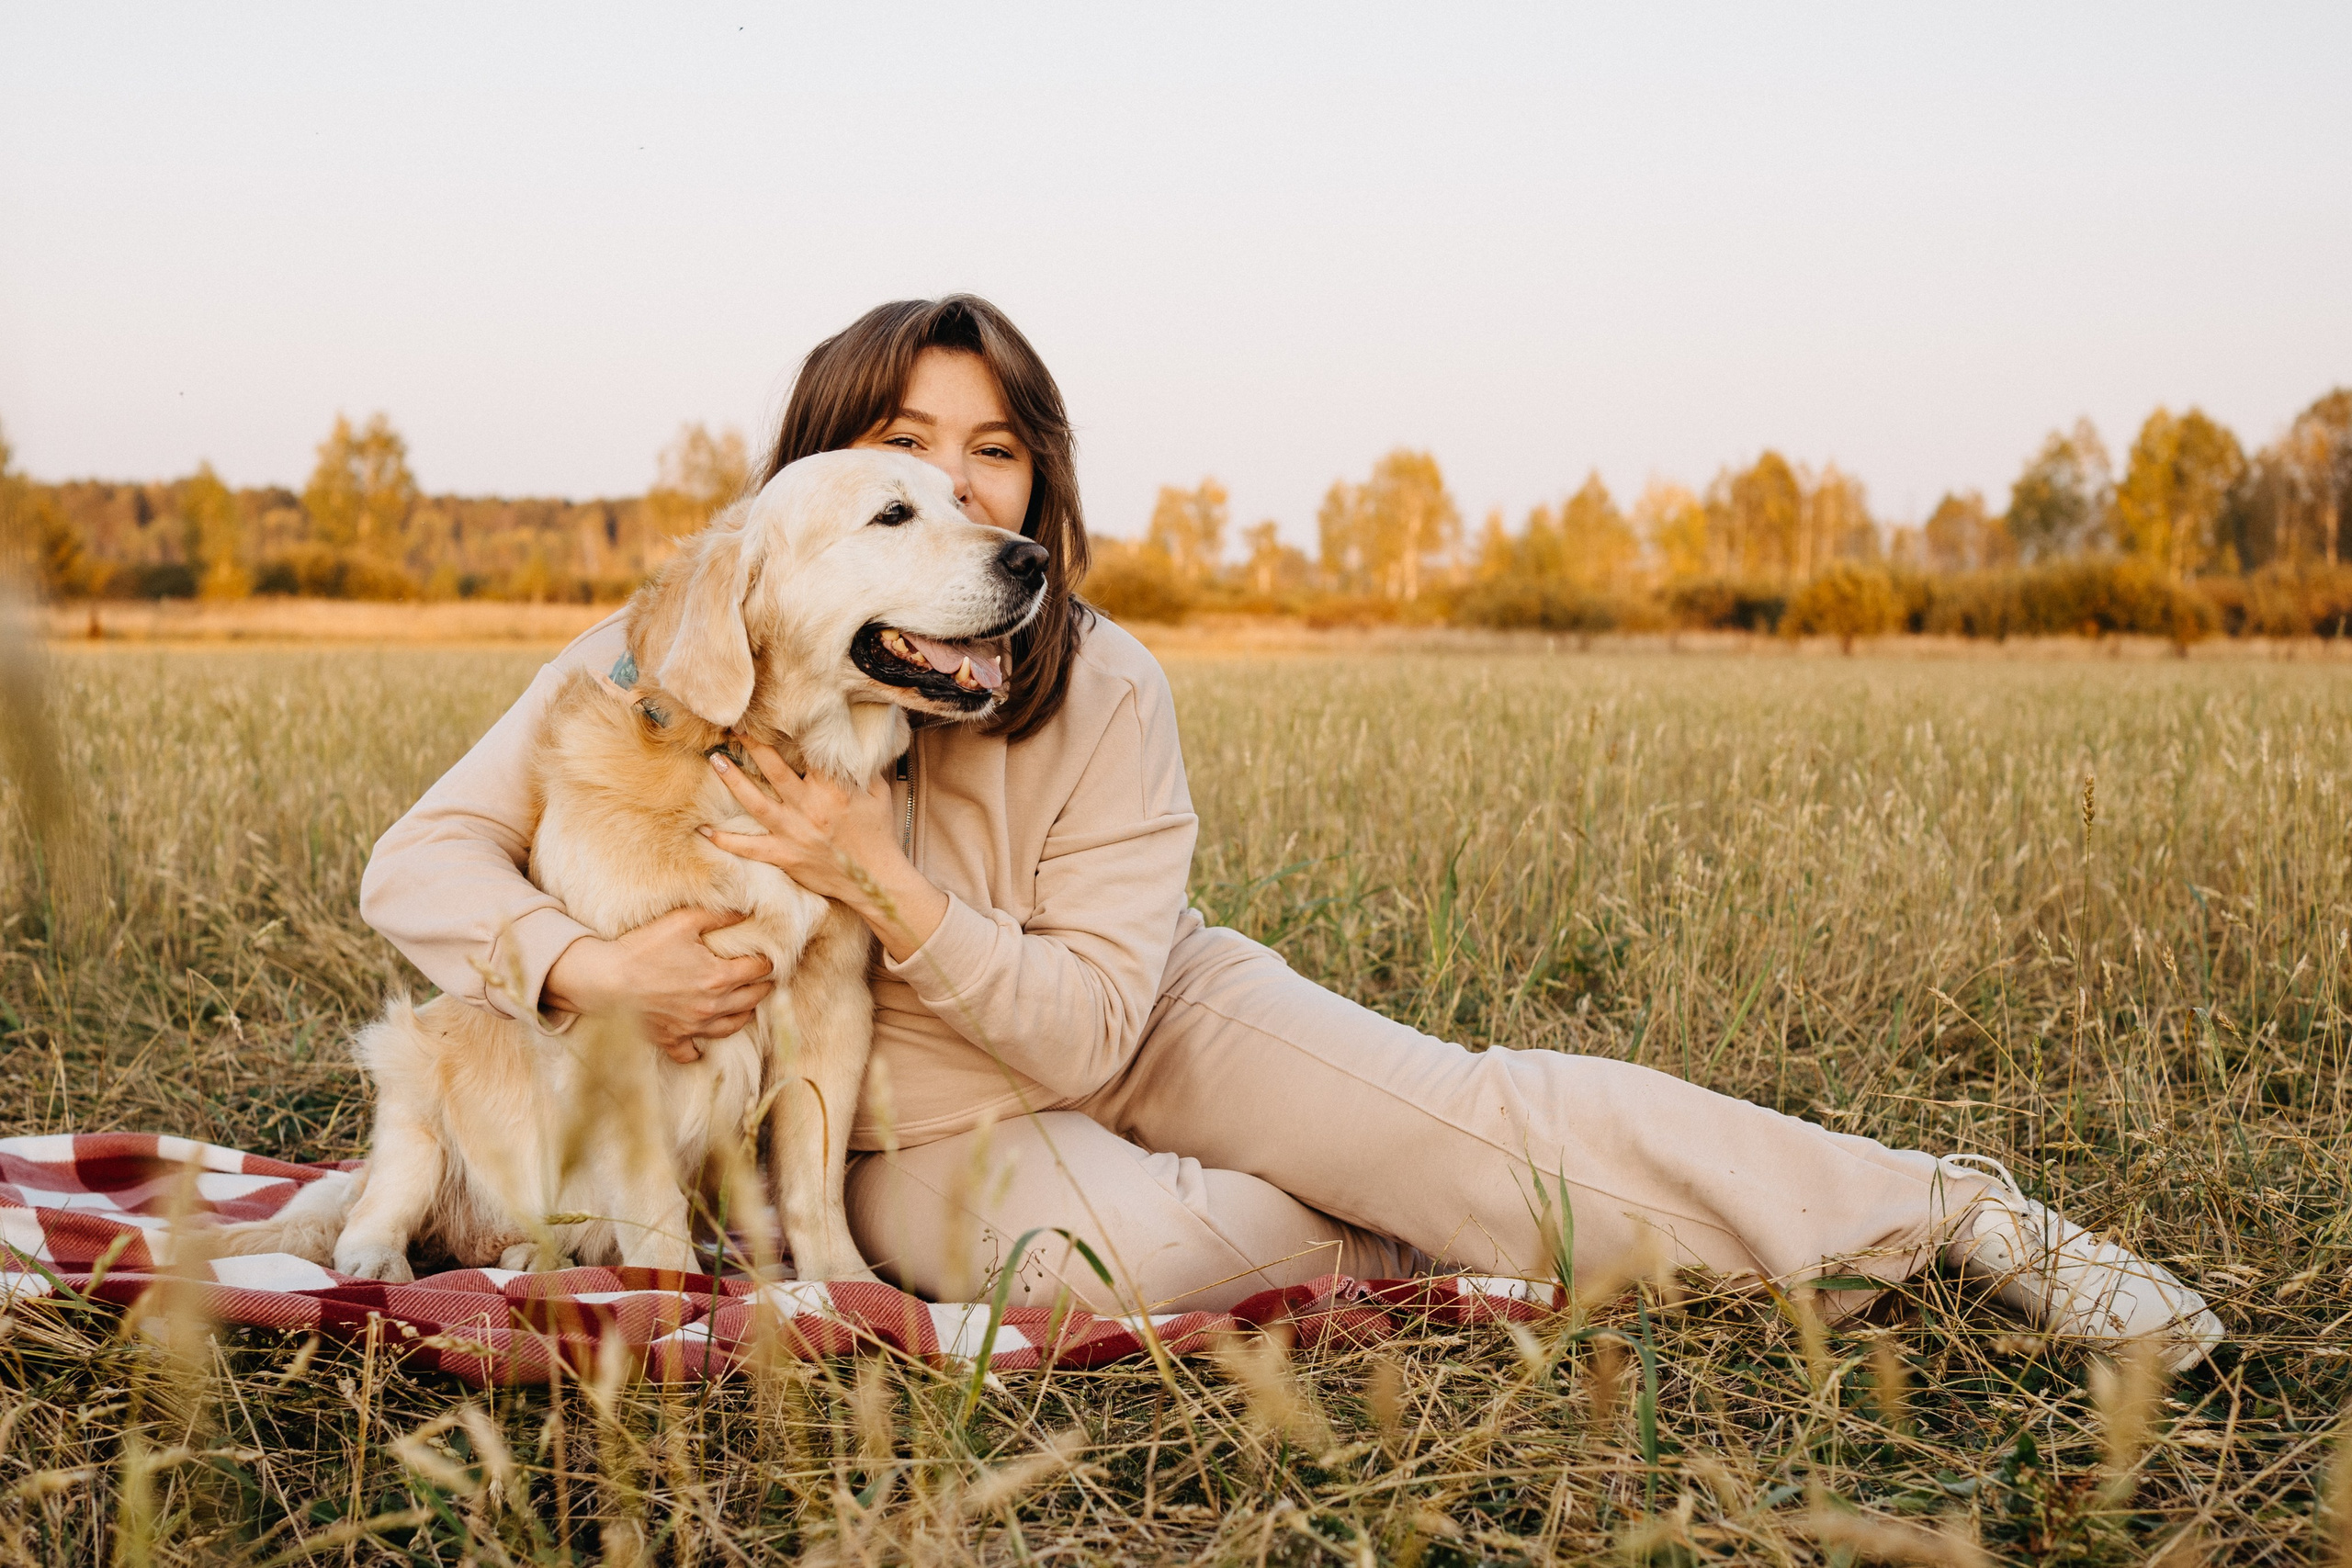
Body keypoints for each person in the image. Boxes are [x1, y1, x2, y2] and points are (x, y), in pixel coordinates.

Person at [360, 295, 2223, 1371]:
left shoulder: (1104, 682)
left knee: (1483, 1126)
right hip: (904, 1126)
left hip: (1147, 1014)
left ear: (1036, 483)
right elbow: (419, 861)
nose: (962, 502)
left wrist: (885, 880)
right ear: (813, 493)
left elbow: (1093, 1027)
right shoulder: (668, 651)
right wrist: (580, 964)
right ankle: (1407, 1229)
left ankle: (1947, 1211)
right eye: (904, 459)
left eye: (995, 456)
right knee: (1126, 1270)